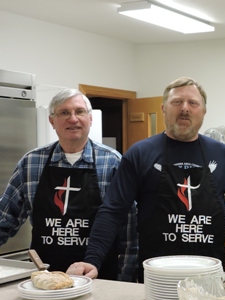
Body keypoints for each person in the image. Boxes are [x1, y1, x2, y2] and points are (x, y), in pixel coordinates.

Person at [67, 77, 225, 281]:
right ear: (163, 108)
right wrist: (93, 260)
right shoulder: (140, 154)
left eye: (193, 103)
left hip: (209, 274)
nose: (185, 108)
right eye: (177, 102)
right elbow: (113, 210)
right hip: (156, 274)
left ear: (203, 111)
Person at [0, 88, 136, 281]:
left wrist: (126, 280)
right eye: (64, 113)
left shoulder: (112, 162)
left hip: (100, 278)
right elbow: (4, 219)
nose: (73, 119)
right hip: (44, 278)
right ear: (52, 121)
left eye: (79, 112)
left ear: (90, 119)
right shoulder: (31, 163)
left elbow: (128, 231)